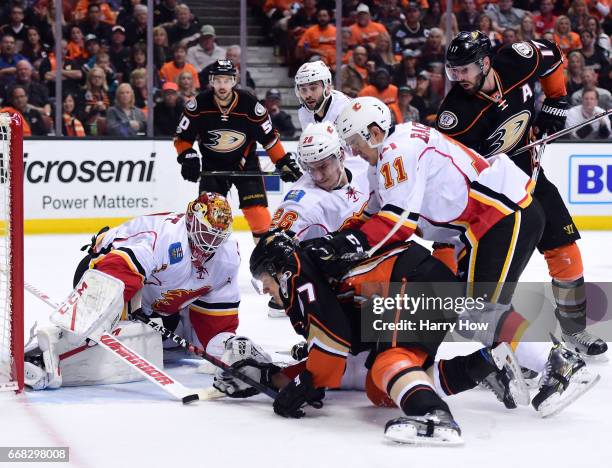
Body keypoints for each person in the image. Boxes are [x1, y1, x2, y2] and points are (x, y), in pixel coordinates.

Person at [436, 31, 608, 356]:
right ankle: (499, 344)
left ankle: (574, 327)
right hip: (494, 199)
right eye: (453, 71)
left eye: (464, 70)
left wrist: (556, 101)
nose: (458, 78)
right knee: (501, 274)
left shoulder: (517, 59)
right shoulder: (455, 115)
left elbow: (554, 56)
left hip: (531, 177)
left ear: (485, 63)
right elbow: (452, 174)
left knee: (565, 246)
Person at [23, 193, 241, 390]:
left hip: (155, 300)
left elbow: (217, 320)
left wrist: (229, 350)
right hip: (103, 270)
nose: (211, 243)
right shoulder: (165, 239)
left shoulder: (227, 257)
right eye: (206, 234)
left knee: (176, 344)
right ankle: (43, 354)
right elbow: (118, 268)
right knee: (108, 329)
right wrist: (116, 314)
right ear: (192, 221)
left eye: (217, 237)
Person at [173, 59, 301, 241]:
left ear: (234, 81)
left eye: (226, 80)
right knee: (208, 218)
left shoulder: (249, 104)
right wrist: (188, 156)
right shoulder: (198, 105)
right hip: (212, 166)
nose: (222, 85)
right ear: (211, 81)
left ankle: (269, 256)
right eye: (218, 80)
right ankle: (207, 262)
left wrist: (282, 161)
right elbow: (182, 138)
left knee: (257, 213)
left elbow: (269, 139)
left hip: (245, 163)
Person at [295, 60, 352, 130]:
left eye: (313, 88)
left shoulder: (345, 109)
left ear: (327, 87)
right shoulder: (303, 112)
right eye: (303, 89)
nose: (308, 95)